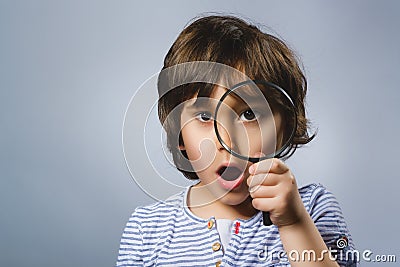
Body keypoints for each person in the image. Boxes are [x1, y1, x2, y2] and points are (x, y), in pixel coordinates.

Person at [116, 15, 358, 266]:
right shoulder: (146, 230)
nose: (228, 140)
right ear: (179, 135)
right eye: (205, 116)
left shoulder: (313, 209)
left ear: (284, 129)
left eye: (249, 114)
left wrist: (294, 223)